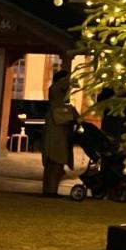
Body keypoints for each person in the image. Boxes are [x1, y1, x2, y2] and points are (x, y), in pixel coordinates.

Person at [42, 61, 78, 196]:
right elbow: (64, 84)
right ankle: (50, 191)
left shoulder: (61, 104)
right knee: (54, 163)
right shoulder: (56, 96)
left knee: (57, 164)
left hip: (60, 135)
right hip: (56, 135)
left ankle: (51, 190)